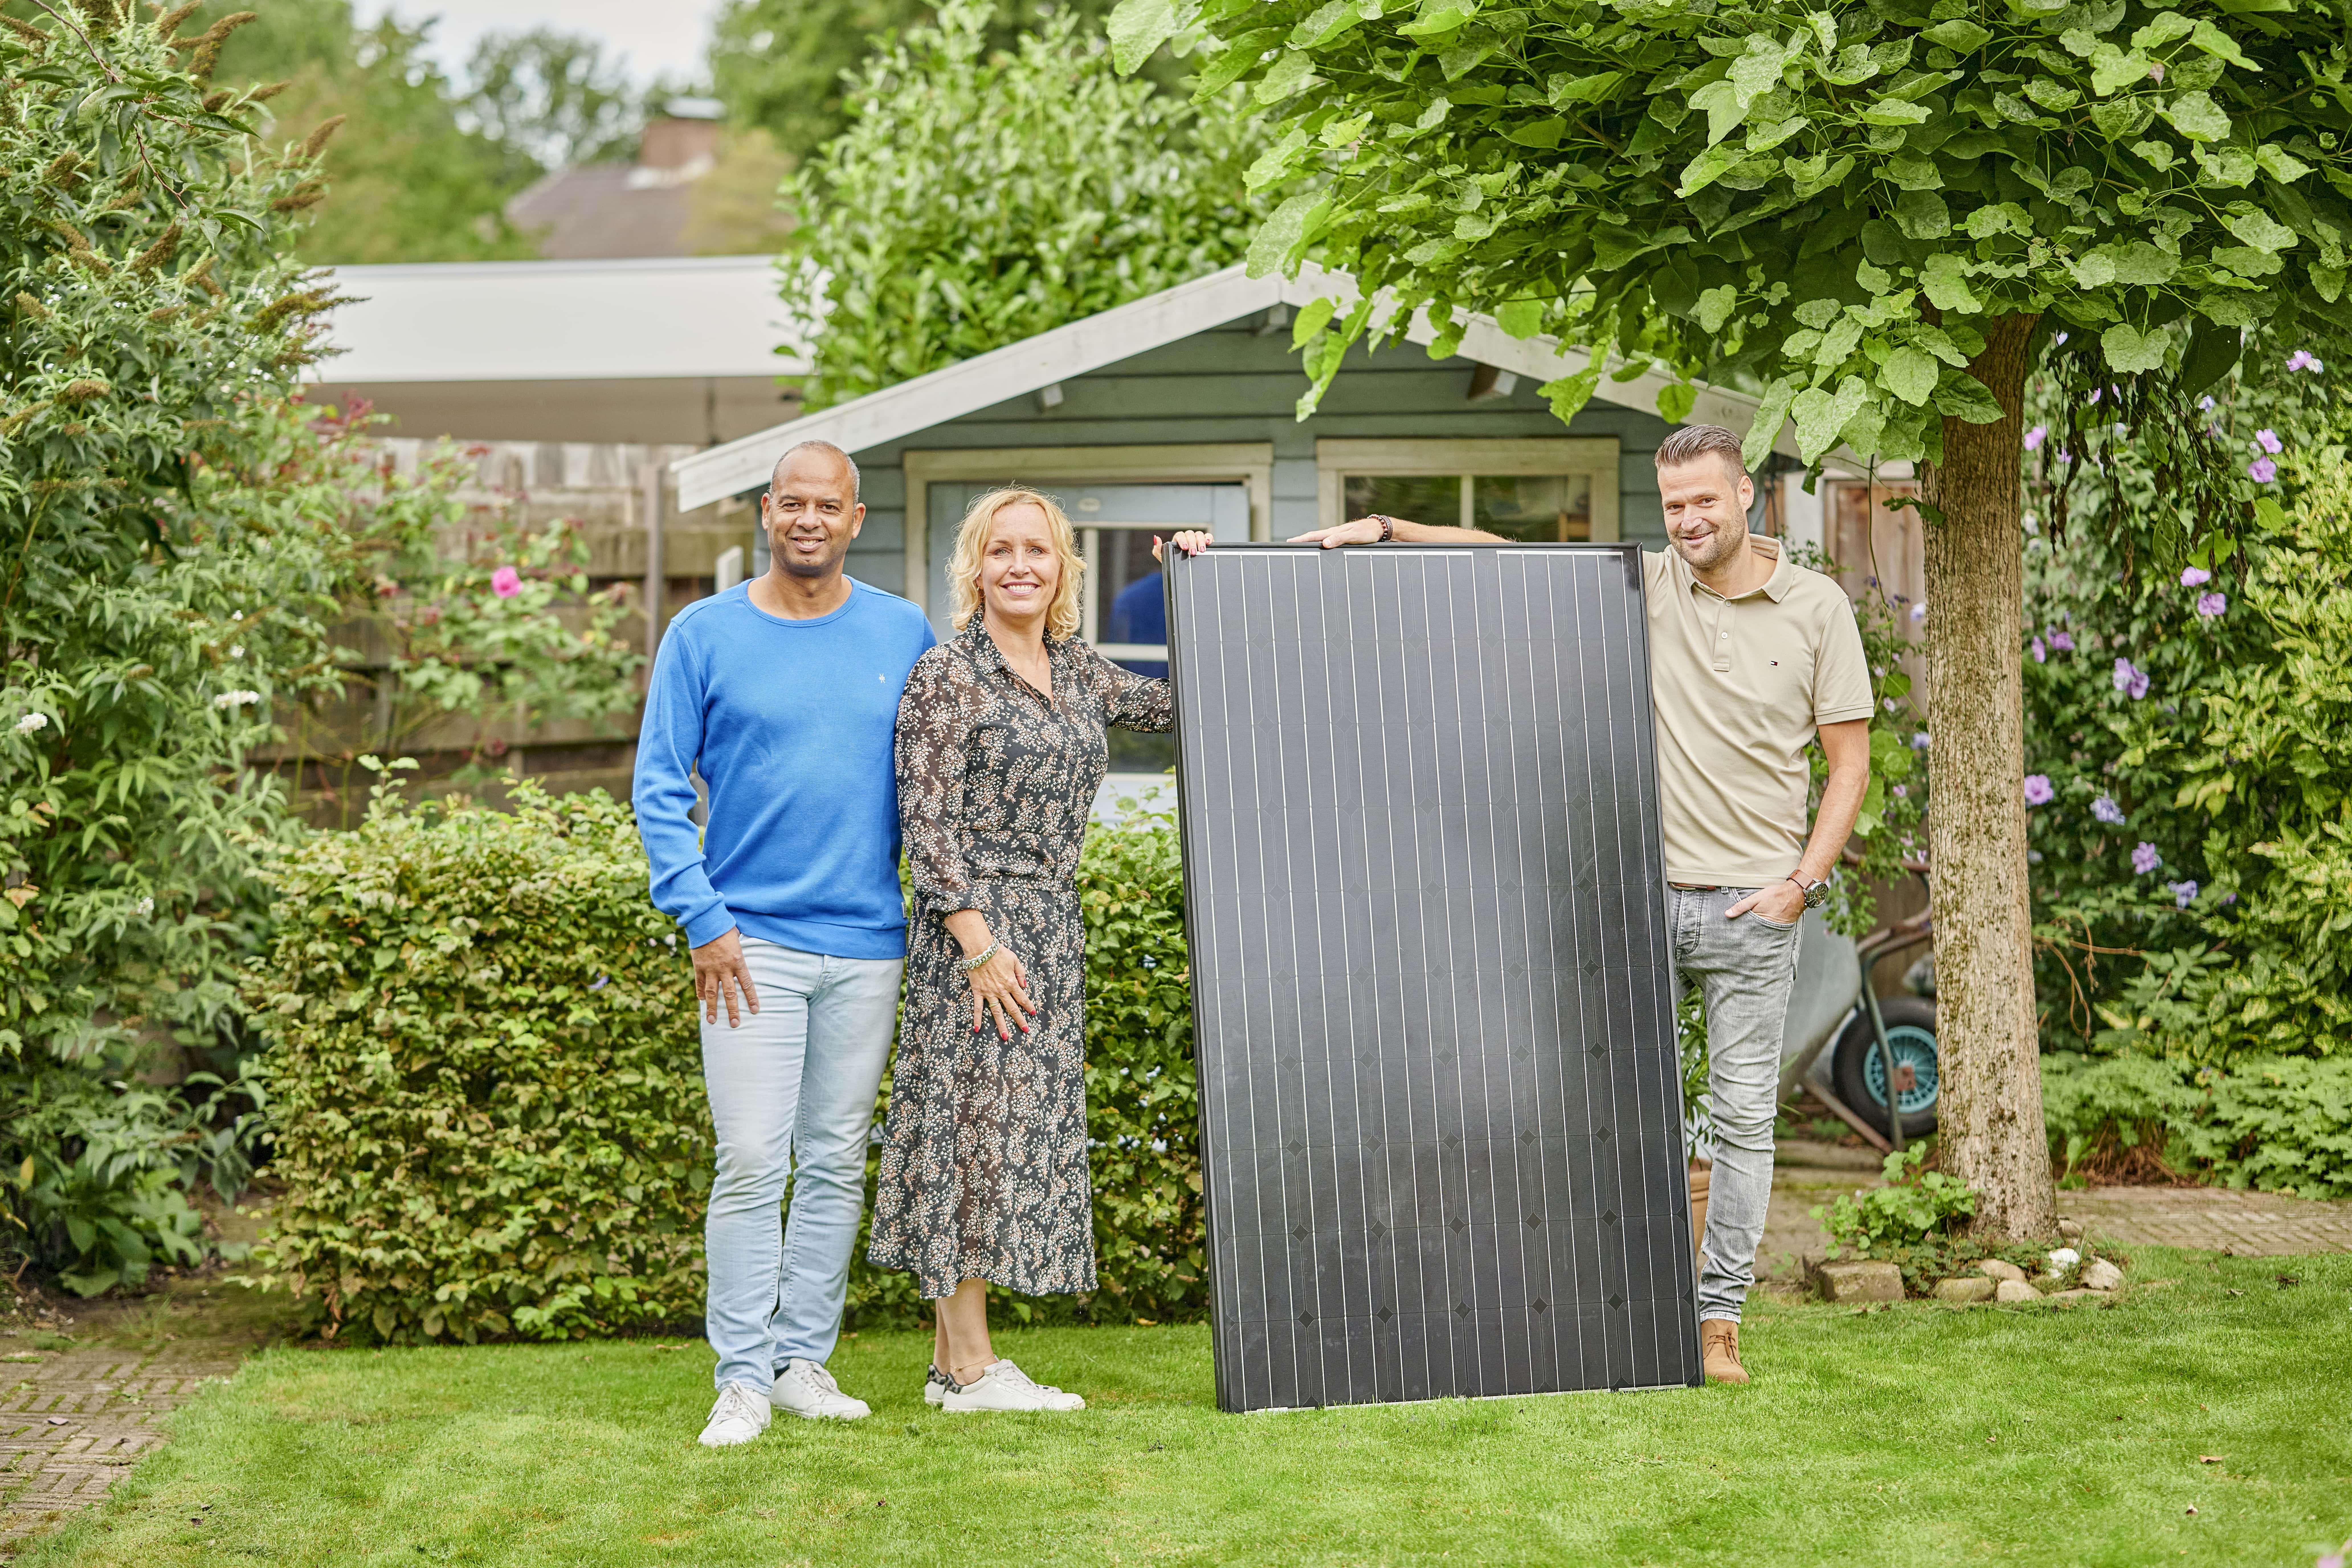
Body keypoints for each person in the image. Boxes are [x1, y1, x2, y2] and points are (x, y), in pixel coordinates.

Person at [1292, 424, 1872, 1386]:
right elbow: (1510, 560)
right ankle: (1614, 1306)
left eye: (1705, 501)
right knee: (1602, 1114)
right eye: (1674, 504)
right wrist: (1386, 528)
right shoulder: (1642, 584)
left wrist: (1800, 886)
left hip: (1751, 912)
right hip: (1637, 904)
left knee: (1741, 1126)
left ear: (1745, 498)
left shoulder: (1814, 607)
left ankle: (1718, 1319)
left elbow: (1849, 764)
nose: (1688, 520)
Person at [869, 487, 1206, 1412]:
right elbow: (925, 821)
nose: (1021, 565)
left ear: (1064, 568)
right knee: (964, 1134)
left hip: (1052, 924)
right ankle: (973, 1369)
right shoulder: (949, 675)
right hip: (974, 934)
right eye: (1002, 549)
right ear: (974, 567)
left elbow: (1187, 704)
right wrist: (978, 945)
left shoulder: (1078, 670)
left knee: (998, 1133)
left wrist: (1190, 579)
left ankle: (954, 1367)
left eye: (1039, 550)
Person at [633, 440, 937, 1447]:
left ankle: (802, 1359)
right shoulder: (703, 634)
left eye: (829, 506)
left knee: (838, 1158)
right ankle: (740, 1377)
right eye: (792, 503)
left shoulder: (904, 631)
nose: (809, 520)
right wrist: (703, 920)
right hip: (748, 942)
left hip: (868, 943)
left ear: (857, 521)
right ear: (767, 513)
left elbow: (939, 785)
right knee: (755, 1158)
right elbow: (660, 790)